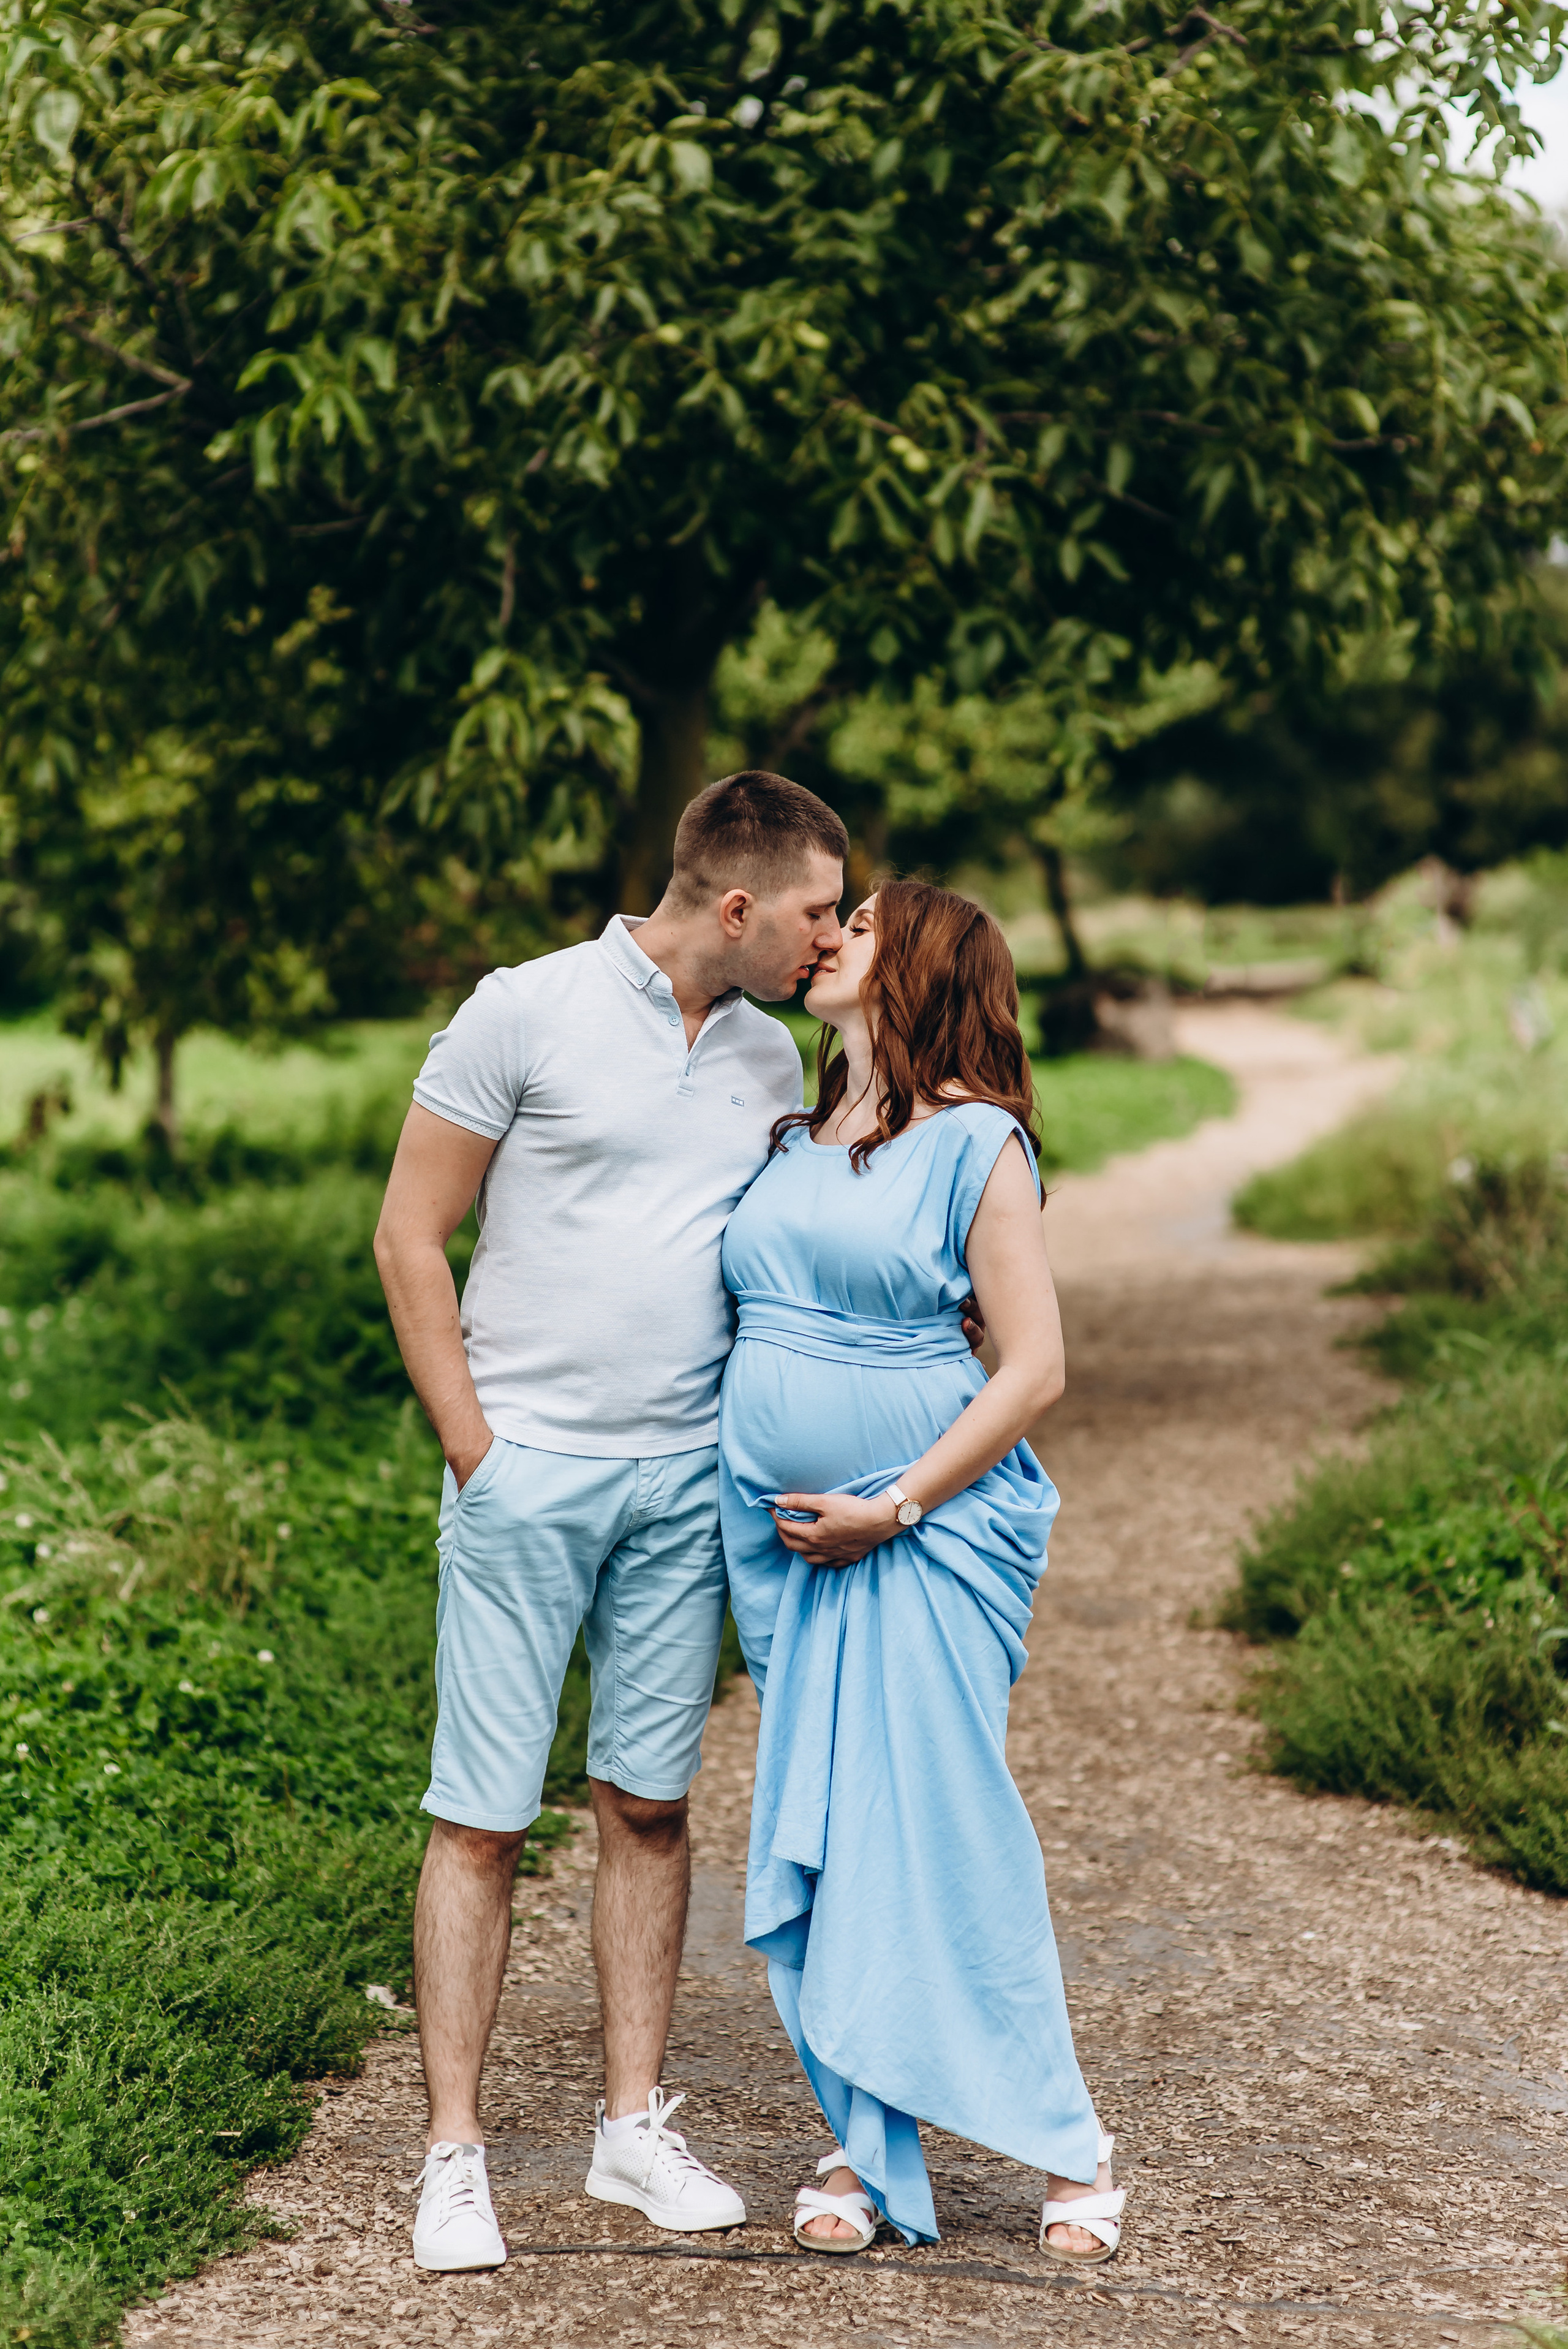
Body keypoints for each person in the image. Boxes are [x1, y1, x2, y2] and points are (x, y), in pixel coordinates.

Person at [373, 771, 847, 2272]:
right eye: (818, 909)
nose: (830, 936)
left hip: (681, 1485)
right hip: (528, 1476)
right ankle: (453, 2157)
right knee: (482, 1817)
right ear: (734, 905)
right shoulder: (524, 1008)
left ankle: (628, 2128)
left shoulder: (778, 1056)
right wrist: (474, 1451)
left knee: (647, 1806)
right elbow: (408, 1233)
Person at [717, 877, 1128, 2261]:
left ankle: (1065, 2139)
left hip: (925, 1537)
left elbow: (1033, 1369)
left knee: (943, 1829)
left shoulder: (975, 1144)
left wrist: (886, 1506)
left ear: (923, 971)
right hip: (783, 1545)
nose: (830, 938)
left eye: (865, 926)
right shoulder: (792, 1132)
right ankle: (865, 2141)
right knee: (835, 1840)